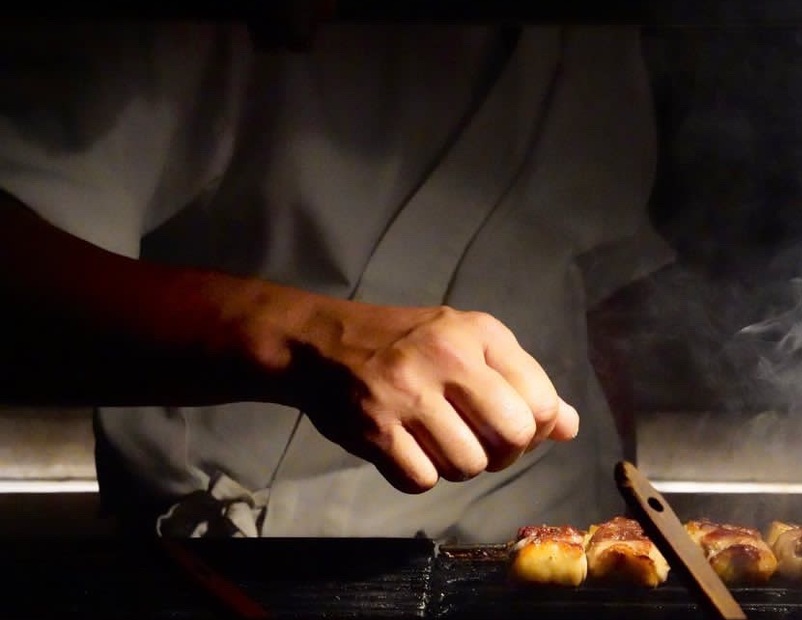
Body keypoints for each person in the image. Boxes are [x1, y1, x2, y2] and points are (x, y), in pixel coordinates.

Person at [0, 17, 674, 541]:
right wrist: (308, 338)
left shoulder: (591, 36)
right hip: (267, 552)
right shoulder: (186, 30)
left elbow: (598, 292)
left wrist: (625, 520)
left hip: (554, 535)